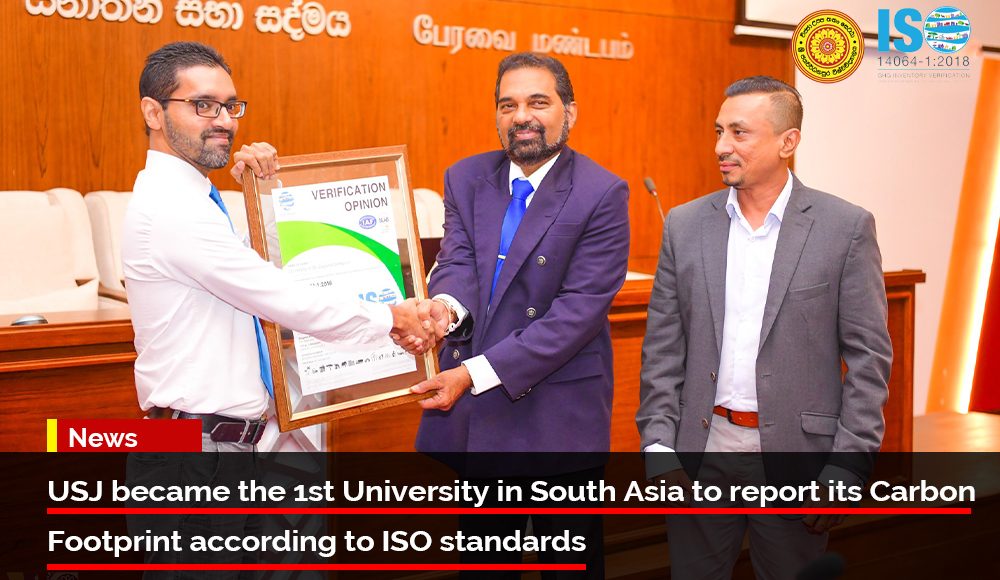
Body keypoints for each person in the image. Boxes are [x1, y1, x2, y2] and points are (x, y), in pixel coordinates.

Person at [635, 76, 893, 579]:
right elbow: (663, 350)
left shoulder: (844, 227)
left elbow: (870, 362)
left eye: (739, 133)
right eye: (718, 131)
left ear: (787, 142)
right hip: (699, 457)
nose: (721, 147)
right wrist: (659, 447)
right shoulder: (685, 226)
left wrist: (847, 466)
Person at [410, 52, 630, 578]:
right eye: (507, 105)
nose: (521, 116)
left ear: (569, 112)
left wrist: (472, 373)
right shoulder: (466, 177)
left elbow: (577, 313)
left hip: (558, 412)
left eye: (538, 102)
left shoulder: (602, 191)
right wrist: (443, 310)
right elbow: (457, 262)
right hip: (482, 416)